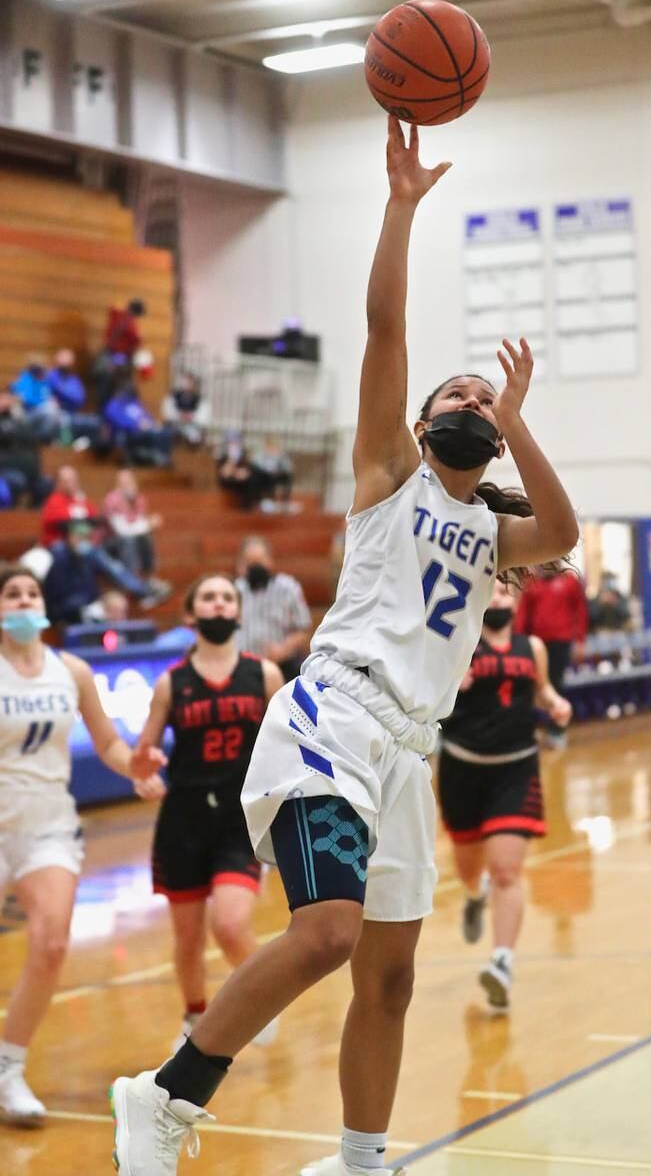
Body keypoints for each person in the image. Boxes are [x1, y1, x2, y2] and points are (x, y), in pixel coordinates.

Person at [109, 116, 578, 1176]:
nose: (468, 400)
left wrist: (522, 414)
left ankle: (361, 1159)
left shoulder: (494, 533)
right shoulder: (385, 477)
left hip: (407, 753)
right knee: (325, 931)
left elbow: (561, 533)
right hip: (331, 716)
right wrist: (400, 207)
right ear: (418, 424)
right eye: (454, 394)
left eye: (481, 397)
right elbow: (382, 325)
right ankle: (167, 1089)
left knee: (392, 975)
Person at [0, 566, 166, 1126]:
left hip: (47, 822)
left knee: (50, 944)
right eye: (12, 594)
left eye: (31, 593)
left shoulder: (68, 669)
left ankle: (8, 1067)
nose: (24, 601)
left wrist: (134, 766)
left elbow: (107, 743)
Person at [137, 574, 283, 1051]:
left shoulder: (263, 675)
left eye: (227, 597)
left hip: (239, 820)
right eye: (208, 597)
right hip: (183, 820)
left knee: (230, 922)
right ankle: (193, 1016)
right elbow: (145, 752)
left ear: (238, 614)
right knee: (187, 938)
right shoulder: (170, 683)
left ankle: (259, 1000)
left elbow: (287, 743)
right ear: (191, 614)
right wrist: (145, 773)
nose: (218, 604)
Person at [438, 577, 572, 1011]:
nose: (497, 597)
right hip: (463, 768)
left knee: (507, 871)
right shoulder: (457, 643)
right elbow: (428, 697)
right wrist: (449, 684)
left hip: (516, 768)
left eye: (503, 591)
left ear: (514, 600)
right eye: (490, 591)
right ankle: (474, 898)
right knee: (469, 865)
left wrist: (555, 703)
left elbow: (542, 688)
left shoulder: (532, 647)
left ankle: (501, 963)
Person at [40, 467, 171, 612]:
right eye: (66, 480)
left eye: (73, 480)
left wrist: (82, 525)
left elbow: (95, 521)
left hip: (87, 546)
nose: (71, 483)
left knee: (100, 551)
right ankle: (141, 589)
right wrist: (81, 525)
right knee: (100, 550)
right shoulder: (54, 501)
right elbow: (63, 525)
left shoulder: (81, 501)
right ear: (58, 483)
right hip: (63, 548)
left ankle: (143, 583)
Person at [514, 563, 588, 749]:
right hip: (536, 644)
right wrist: (517, 641)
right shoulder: (532, 584)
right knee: (529, 686)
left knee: (555, 685)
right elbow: (523, 615)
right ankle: (528, 730)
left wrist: (579, 640)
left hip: (561, 643)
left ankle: (557, 731)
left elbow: (580, 612)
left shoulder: (570, 582)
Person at [236, 536, 312, 681]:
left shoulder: (288, 588)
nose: (255, 567)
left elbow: (303, 629)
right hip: (242, 669)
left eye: (259, 561)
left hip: (282, 666)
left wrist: (284, 649)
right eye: (250, 562)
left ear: (270, 561)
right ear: (241, 565)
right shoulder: (234, 590)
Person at [102, 468, 163, 579]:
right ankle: (132, 579)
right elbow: (122, 531)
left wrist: (146, 525)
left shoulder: (139, 499)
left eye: (130, 482)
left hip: (129, 539)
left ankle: (149, 577)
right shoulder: (112, 500)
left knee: (145, 537)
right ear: (117, 485)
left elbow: (139, 525)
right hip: (110, 542)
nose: (128, 486)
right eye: (123, 484)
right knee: (129, 539)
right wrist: (148, 525)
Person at [102, 382, 173, 468]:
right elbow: (118, 421)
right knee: (151, 435)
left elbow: (147, 417)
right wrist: (136, 425)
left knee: (165, 433)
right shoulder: (113, 405)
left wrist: (151, 424)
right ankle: (157, 458)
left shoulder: (135, 404)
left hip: (144, 431)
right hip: (126, 434)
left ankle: (163, 458)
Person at [249, 436, 296, 513]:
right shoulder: (260, 454)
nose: (272, 448)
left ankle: (285, 502)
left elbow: (289, 467)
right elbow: (254, 464)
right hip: (263, 476)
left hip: (277, 475)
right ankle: (261, 501)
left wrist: (279, 468)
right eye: (270, 446)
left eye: (274, 446)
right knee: (262, 478)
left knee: (287, 477)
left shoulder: (282, 455)